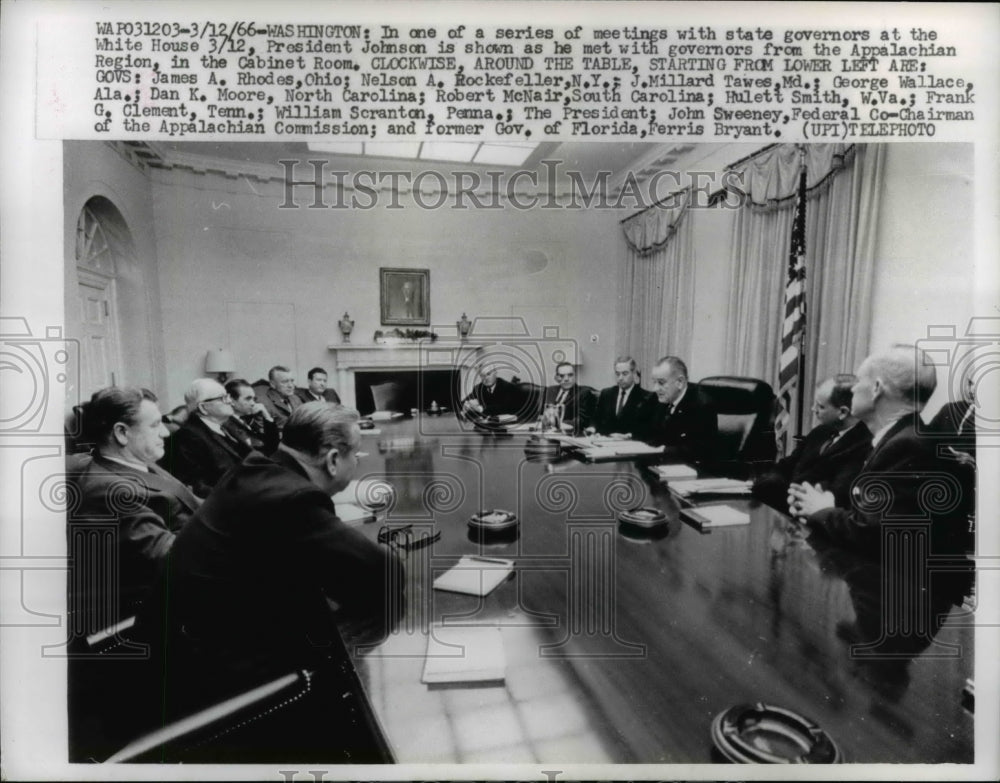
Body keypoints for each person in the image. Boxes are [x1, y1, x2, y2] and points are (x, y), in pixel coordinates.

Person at [144, 403, 403, 720]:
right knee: (381, 614)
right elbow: (383, 572)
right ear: (333, 460)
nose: (357, 462)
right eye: (356, 454)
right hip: (210, 678)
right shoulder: (292, 499)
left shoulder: (254, 470)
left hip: (176, 650)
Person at [789, 345, 971, 559]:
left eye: (858, 382)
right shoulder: (902, 437)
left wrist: (820, 510)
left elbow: (869, 533)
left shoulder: (907, 446)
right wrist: (822, 503)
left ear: (876, 388)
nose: (853, 390)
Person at [67, 386, 201, 614]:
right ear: (121, 433)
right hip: (170, 607)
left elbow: (192, 501)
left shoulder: (137, 462)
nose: (166, 433)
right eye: (154, 425)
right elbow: (172, 558)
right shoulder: (110, 491)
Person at [753, 375, 872, 511]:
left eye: (820, 406)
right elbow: (786, 465)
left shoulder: (864, 445)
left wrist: (777, 487)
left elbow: (835, 493)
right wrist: (769, 482)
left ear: (843, 412)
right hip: (786, 505)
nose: (812, 409)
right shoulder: (821, 431)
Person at [162, 378, 246, 498]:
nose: (230, 402)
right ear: (203, 407)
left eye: (228, 396)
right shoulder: (187, 437)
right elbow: (197, 487)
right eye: (223, 398)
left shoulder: (226, 426)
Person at [639, 355, 718, 462]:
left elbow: (698, 450)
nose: (655, 388)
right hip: (665, 464)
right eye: (654, 382)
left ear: (680, 382)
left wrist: (663, 449)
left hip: (694, 470)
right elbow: (652, 433)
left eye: (661, 383)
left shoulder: (701, 405)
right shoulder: (662, 398)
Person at [592, 356, 653, 437]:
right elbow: (596, 419)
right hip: (605, 443)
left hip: (630, 445)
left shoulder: (647, 397)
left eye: (625, 374)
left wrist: (630, 436)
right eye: (617, 374)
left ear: (634, 374)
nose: (620, 378)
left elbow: (648, 428)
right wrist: (592, 429)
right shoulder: (606, 393)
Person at [225, 378, 280, 454]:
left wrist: (267, 416)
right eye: (248, 399)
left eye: (254, 399)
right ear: (231, 400)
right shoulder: (228, 425)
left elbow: (272, 446)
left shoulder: (248, 419)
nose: (253, 403)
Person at [541, 361, 595, 433]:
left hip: (568, 433)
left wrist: (557, 424)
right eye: (562, 376)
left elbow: (582, 420)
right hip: (547, 431)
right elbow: (542, 413)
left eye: (570, 375)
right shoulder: (550, 390)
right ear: (557, 377)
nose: (566, 379)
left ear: (575, 375)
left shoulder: (584, 393)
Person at [260, 365, 302, 429]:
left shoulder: (296, 399)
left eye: (292, 381)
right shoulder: (263, 403)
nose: (290, 385)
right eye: (285, 382)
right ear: (272, 384)